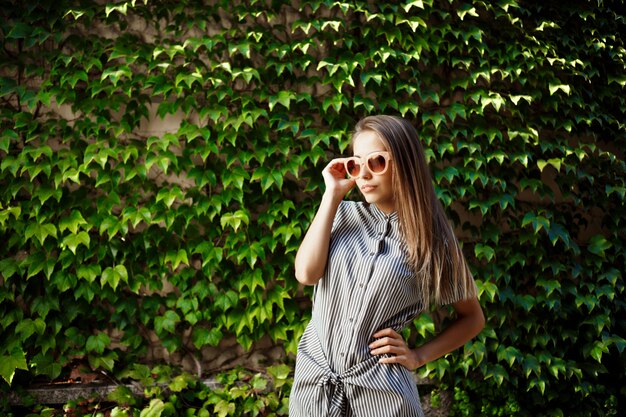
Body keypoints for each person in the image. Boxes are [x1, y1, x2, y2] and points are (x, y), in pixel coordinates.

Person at [289, 115, 485, 417]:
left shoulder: (432, 241)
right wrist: (331, 195)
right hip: (315, 389)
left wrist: (418, 356)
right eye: (356, 164)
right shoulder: (340, 215)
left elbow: (472, 318)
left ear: (405, 163)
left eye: (377, 161)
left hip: (383, 397)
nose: (364, 174)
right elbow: (306, 273)